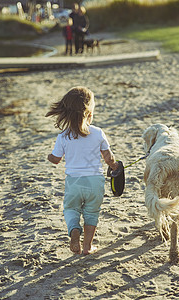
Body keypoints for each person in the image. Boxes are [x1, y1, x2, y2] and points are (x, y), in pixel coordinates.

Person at [45, 86, 119, 255]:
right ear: (89, 114)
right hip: (95, 182)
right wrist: (114, 166)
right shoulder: (98, 133)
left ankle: (74, 231)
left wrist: (50, 156)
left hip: (74, 182)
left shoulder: (63, 136)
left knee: (71, 209)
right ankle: (87, 247)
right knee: (92, 213)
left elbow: (56, 160)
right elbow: (109, 158)